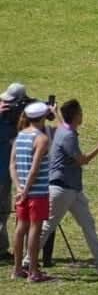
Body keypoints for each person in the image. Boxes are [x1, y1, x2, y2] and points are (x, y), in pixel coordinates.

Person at [40, 99, 98, 274]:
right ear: (75, 117)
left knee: (88, 223)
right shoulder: (68, 136)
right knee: (47, 226)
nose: (82, 115)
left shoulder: (63, 128)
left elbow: (61, 122)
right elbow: (83, 160)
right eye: (80, 113)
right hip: (62, 188)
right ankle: (27, 261)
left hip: (72, 189)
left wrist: (57, 111)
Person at [9, 101, 52, 282]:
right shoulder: (41, 138)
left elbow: (13, 164)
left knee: (20, 229)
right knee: (35, 229)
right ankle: (33, 271)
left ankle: (17, 268)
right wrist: (26, 190)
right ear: (42, 117)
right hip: (37, 192)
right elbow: (35, 169)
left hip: (22, 192)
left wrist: (19, 187)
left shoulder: (20, 136)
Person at [0, 82, 31, 262]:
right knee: (2, 212)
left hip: (8, 173)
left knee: (3, 211)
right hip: (3, 174)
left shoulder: (12, 119)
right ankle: (1, 250)